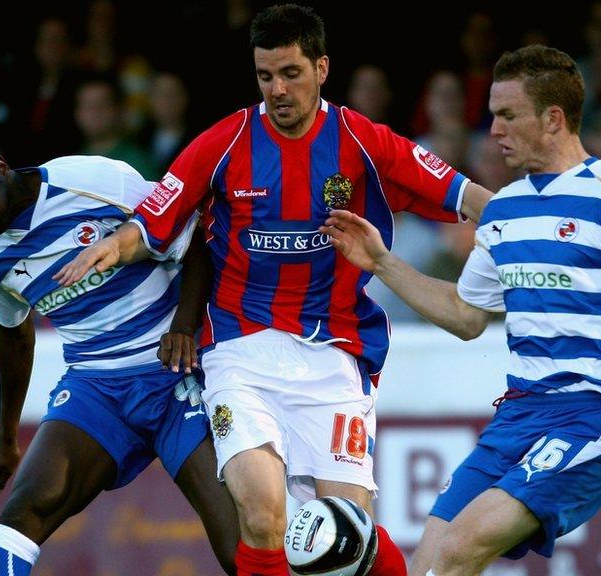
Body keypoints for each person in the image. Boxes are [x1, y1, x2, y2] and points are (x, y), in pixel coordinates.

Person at [53, 5, 492, 575]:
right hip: (241, 347)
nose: (278, 89)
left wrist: (535, 219)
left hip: (334, 351)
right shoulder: (225, 142)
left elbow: (465, 195)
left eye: (290, 73)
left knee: (343, 535)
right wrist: (120, 243)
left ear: (322, 68)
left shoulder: (365, 142)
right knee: (264, 511)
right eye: (265, 76)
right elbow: (159, 211)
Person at [320, 45, 601, 576]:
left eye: (507, 115)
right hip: (516, 416)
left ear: (553, 118)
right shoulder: (504, 210)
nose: (492, 130)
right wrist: (379, 262)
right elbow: (467, 315)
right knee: (430, 561)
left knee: (460, 548)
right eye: (492, 114)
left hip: (591, 418)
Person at [0, 131, 238, 576]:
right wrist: (7, 436)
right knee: (25, 509)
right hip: (96, 388)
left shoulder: (90, 179)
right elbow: (14, 334)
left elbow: (194, 233)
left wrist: (185, 326)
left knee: (242, 548)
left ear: (0, 166)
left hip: (177, 373)